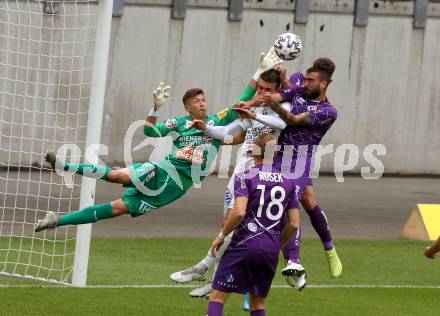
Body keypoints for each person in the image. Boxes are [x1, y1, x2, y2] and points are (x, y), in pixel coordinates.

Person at [34, 82, 255, 232]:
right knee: (117, 176)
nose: (203, 103)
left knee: (115, 209)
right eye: (197, 101)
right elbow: (149, 132)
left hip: (175, 188)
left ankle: (58, 220)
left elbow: (242, 106)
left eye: (204, 99)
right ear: (188, 107)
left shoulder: (217, 123)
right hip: (164, 169)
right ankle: (67, 166)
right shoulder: (178, 123)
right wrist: (155, 108)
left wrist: (259, 76)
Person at [170, 69, 307, 301]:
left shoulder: (285, 107)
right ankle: (214, 276)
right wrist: (206, 129)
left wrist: (253, 116)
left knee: (244, 226)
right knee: (229, 223)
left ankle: (205, 267)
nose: (262, 93)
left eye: (268, 90)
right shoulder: (253, 109)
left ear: (278, 91)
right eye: (260, 88)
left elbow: (282, 124)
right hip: (242, 172)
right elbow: (227, 131)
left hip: (265, 174)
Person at [248, 57, 342, 278]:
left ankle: (295, 260)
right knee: (308, 202)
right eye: (305, 79)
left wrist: (271, 104)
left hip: (300, 160)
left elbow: (292, 119)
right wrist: (253, 103)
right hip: (280, 155)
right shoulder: (298, 90)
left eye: (311, 80)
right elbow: (277, 96)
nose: (305, 83)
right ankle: (328, 249)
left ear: (324, 84)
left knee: (285, 202)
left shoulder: (328, 111)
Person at [207, 133, 300, 316]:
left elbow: (239, 212)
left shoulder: (245, 176)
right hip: (270, 251)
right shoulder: (289, 182)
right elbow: (294, 224)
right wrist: (277, 245)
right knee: (258, 305)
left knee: (217, 297)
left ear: (252, 151)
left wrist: (221, 236)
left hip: (243, 246)